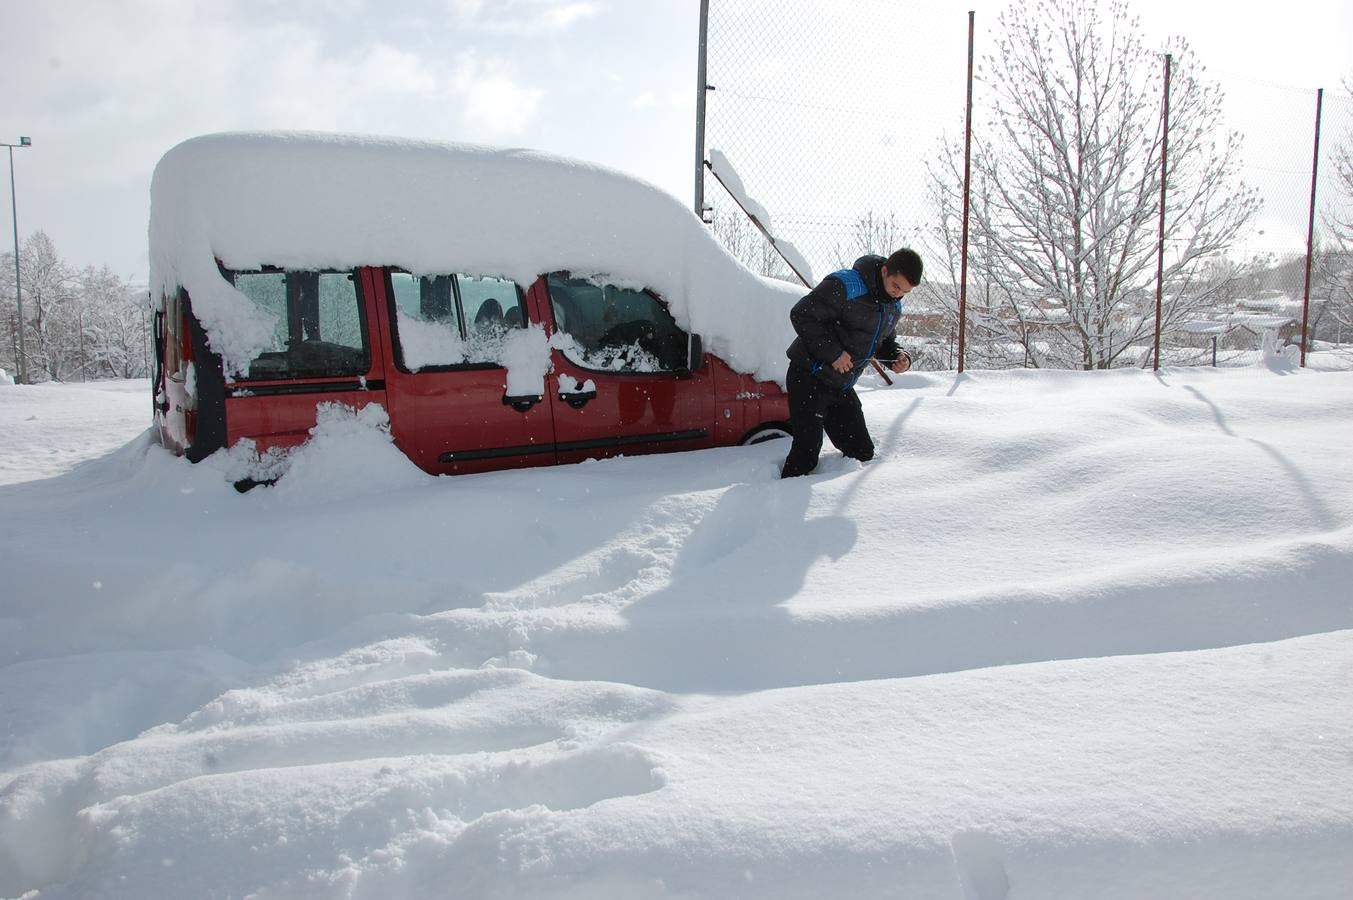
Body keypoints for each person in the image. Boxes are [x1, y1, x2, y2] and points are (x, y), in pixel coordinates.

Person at [780, 248, 922, 478]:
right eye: (896, 287)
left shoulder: (892, 306)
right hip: (808, 377)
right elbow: (802, 314)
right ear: (885, 270)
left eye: (904, 292)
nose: (898, 295)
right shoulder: (845, 285)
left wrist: (897, 355)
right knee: (806, 454)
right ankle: (778, 504)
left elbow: (884, 339)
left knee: (862, 452)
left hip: (841, 385)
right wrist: (833, 353)